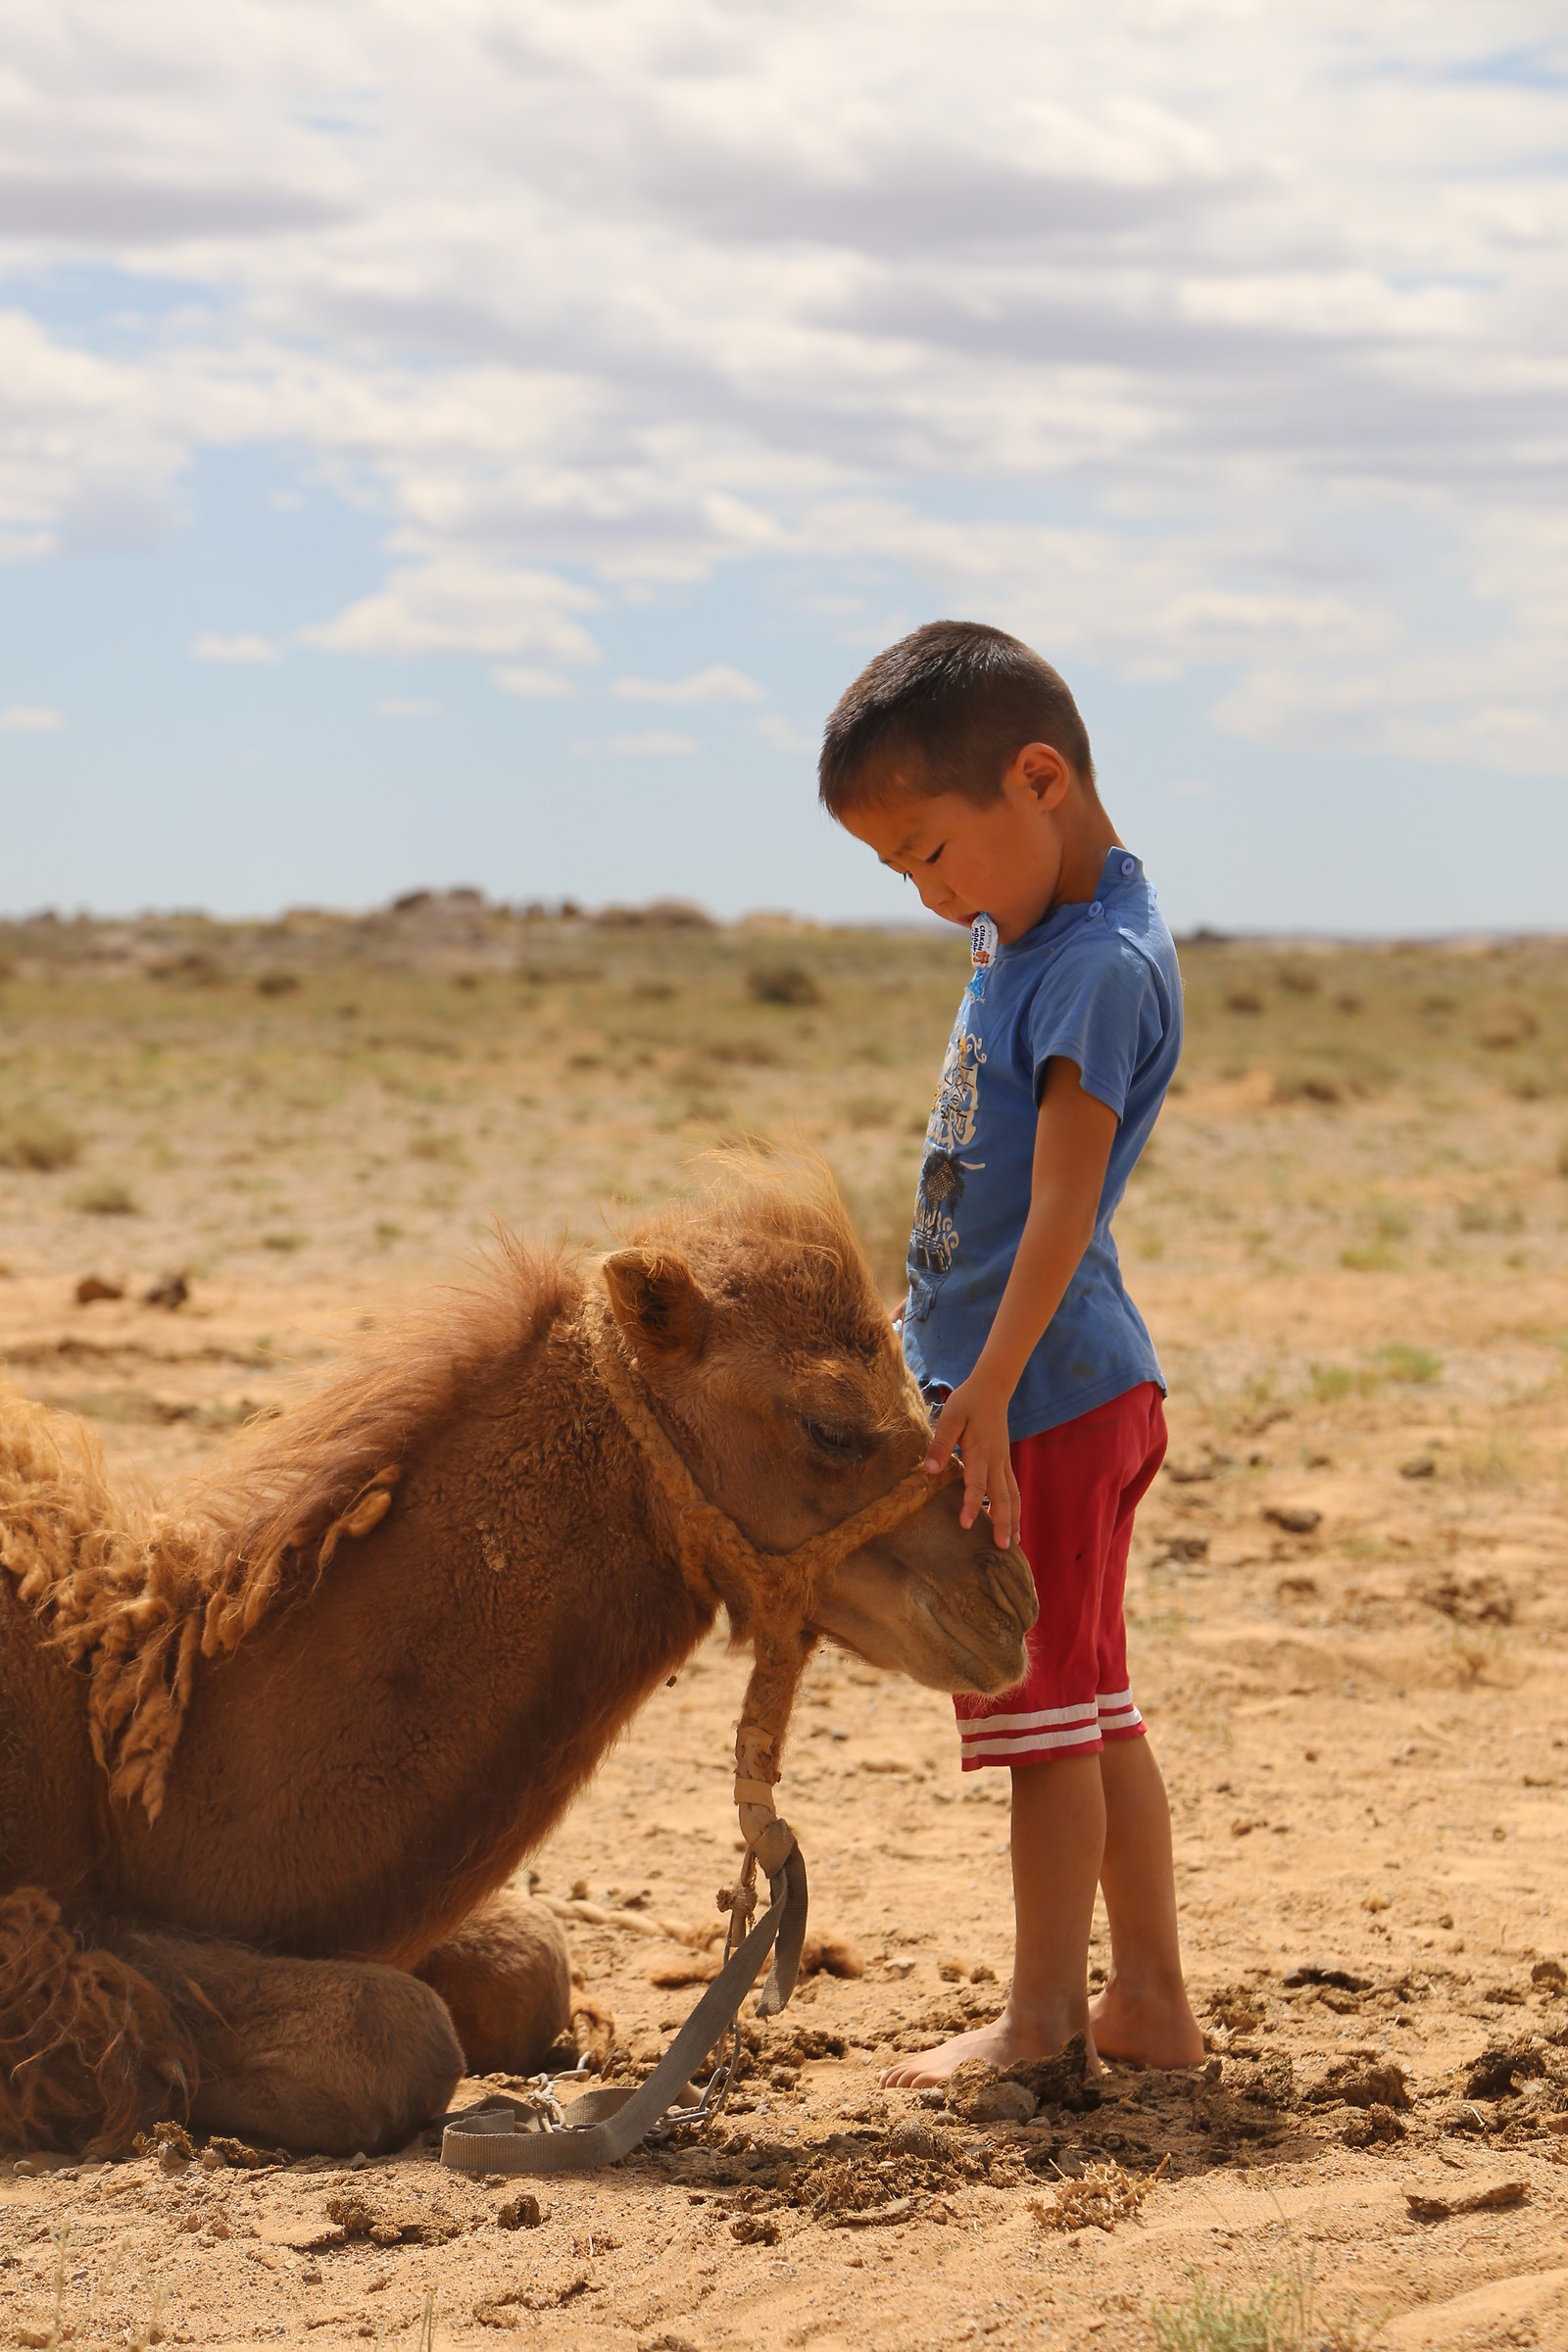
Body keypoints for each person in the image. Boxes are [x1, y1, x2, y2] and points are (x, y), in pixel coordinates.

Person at [817, 619, 1203, 2082]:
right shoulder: (1029, 927)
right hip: (1053, 1388)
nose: (930, 896)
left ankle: (1043, 2027)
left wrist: (980, 1386)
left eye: (931, 851)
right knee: (1095, 1709)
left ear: (1040, 780)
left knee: (1046, 1726)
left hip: (1040, 1400)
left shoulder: (1094, 965)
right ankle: (1148, 2004)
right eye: (897, 872)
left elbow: (1059, 1206)